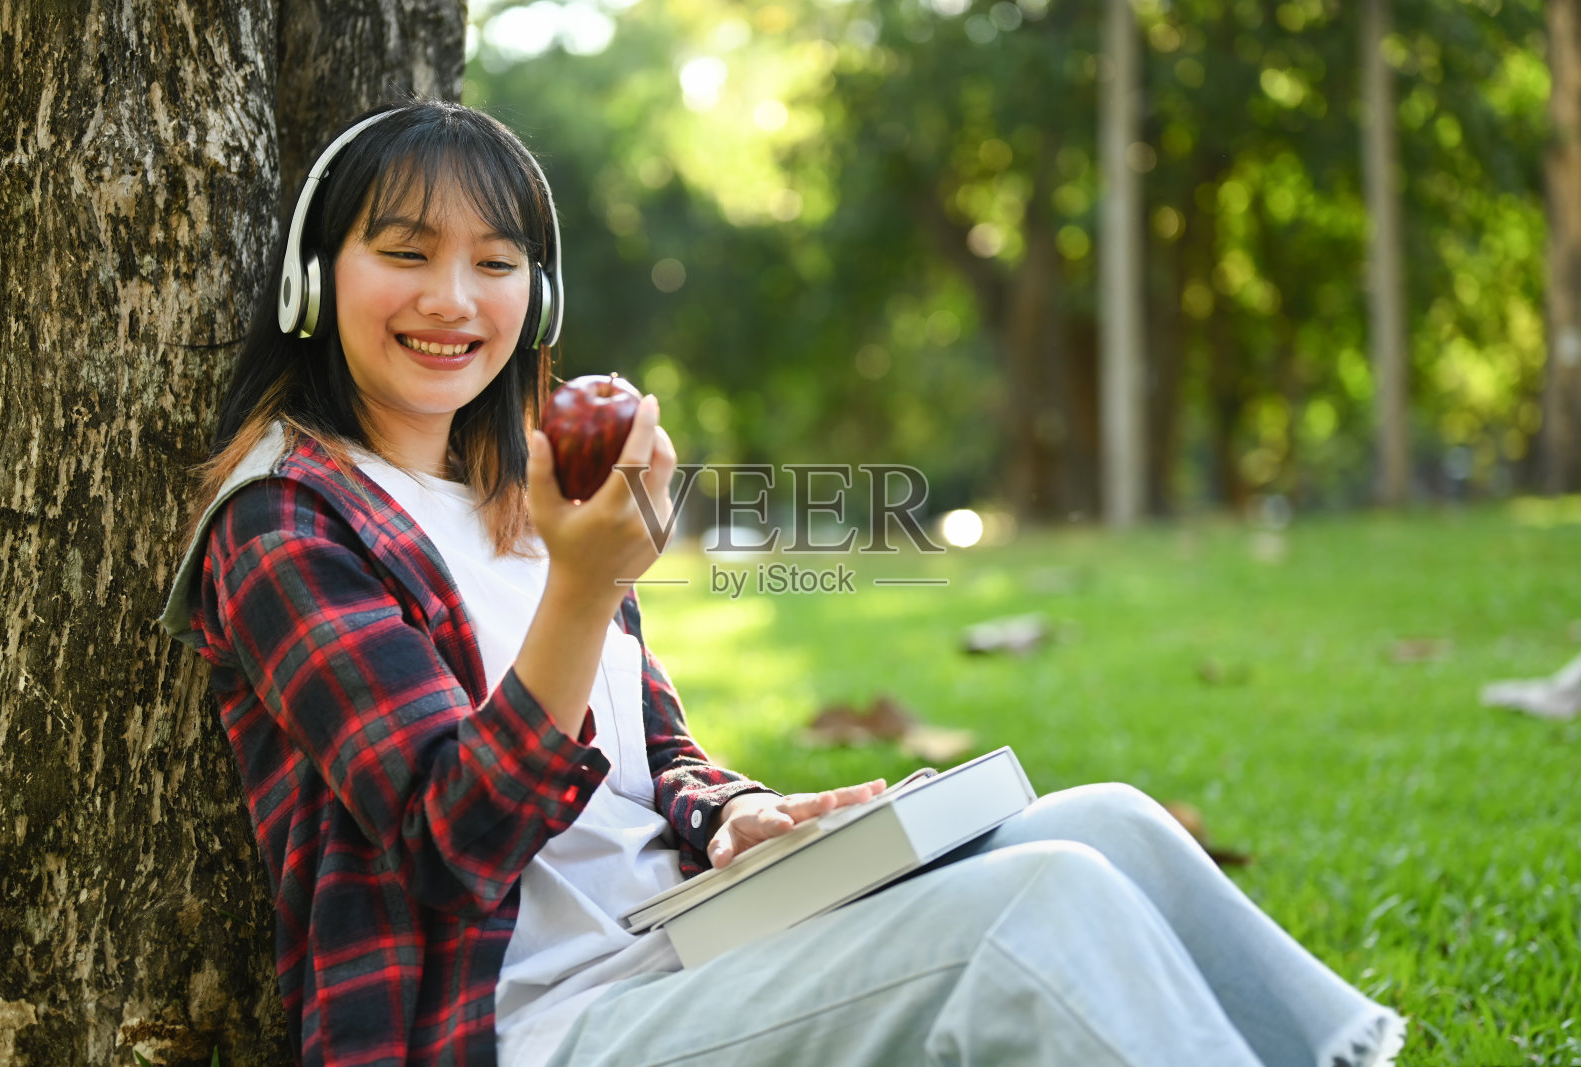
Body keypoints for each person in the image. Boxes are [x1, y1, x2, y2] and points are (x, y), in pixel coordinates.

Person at [163, 100, 1405, 1067]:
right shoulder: (287, 520)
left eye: (495, 263)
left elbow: (651, 764)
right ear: (314, 284)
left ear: (534, 296)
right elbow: (453, 843)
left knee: (1111, 824)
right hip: (535, 1026)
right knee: (1035, 903)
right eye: (402, 253)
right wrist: (585, 586)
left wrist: (731, 816)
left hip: (686, 952)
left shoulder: (533, 491)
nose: (452, 298)